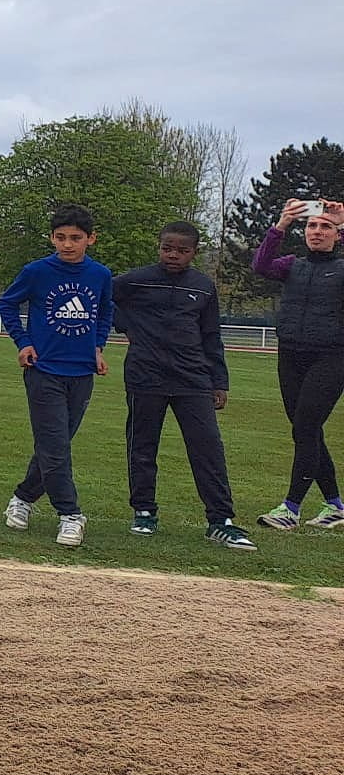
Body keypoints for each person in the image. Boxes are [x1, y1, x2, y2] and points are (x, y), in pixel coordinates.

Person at [112, 222, 253, 549]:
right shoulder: (135, 280)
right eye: (167, 248)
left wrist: (219, 381)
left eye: (182, 250)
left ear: (194, 252)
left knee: (208, 449)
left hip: (193, 378)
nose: (173, 255)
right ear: (159, 246)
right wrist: (126, 325)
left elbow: (211, 335)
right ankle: (144, 511)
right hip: (145, 377)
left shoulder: (203, 287)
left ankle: (220, 520)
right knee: (142, 447)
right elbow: (102, 298)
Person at [0, 203, 113, 549]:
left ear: (90, 239)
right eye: (60, 237)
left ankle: (22, 498)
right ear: (51, 237)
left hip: (81, 373)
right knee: (55, 446)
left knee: (55, 445)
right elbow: (7, 303)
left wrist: (97, 346)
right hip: (43, 370)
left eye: (75, 238)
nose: (67, 244)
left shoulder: (100, 275)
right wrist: (23, 342)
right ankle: (70, 514)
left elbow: (105, 311)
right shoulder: (36, 271)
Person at [253, 197, 344, 530]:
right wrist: (281, 224)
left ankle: (290, 508)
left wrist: (343, 222)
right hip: (291, 354)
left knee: (305, 427)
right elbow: (261, 266)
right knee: (307, 430)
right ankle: (335, 505)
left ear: (337, 235)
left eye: (325, 227)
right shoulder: (293, 265)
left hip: (331, 357)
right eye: (312, 225)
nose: (317, 231)